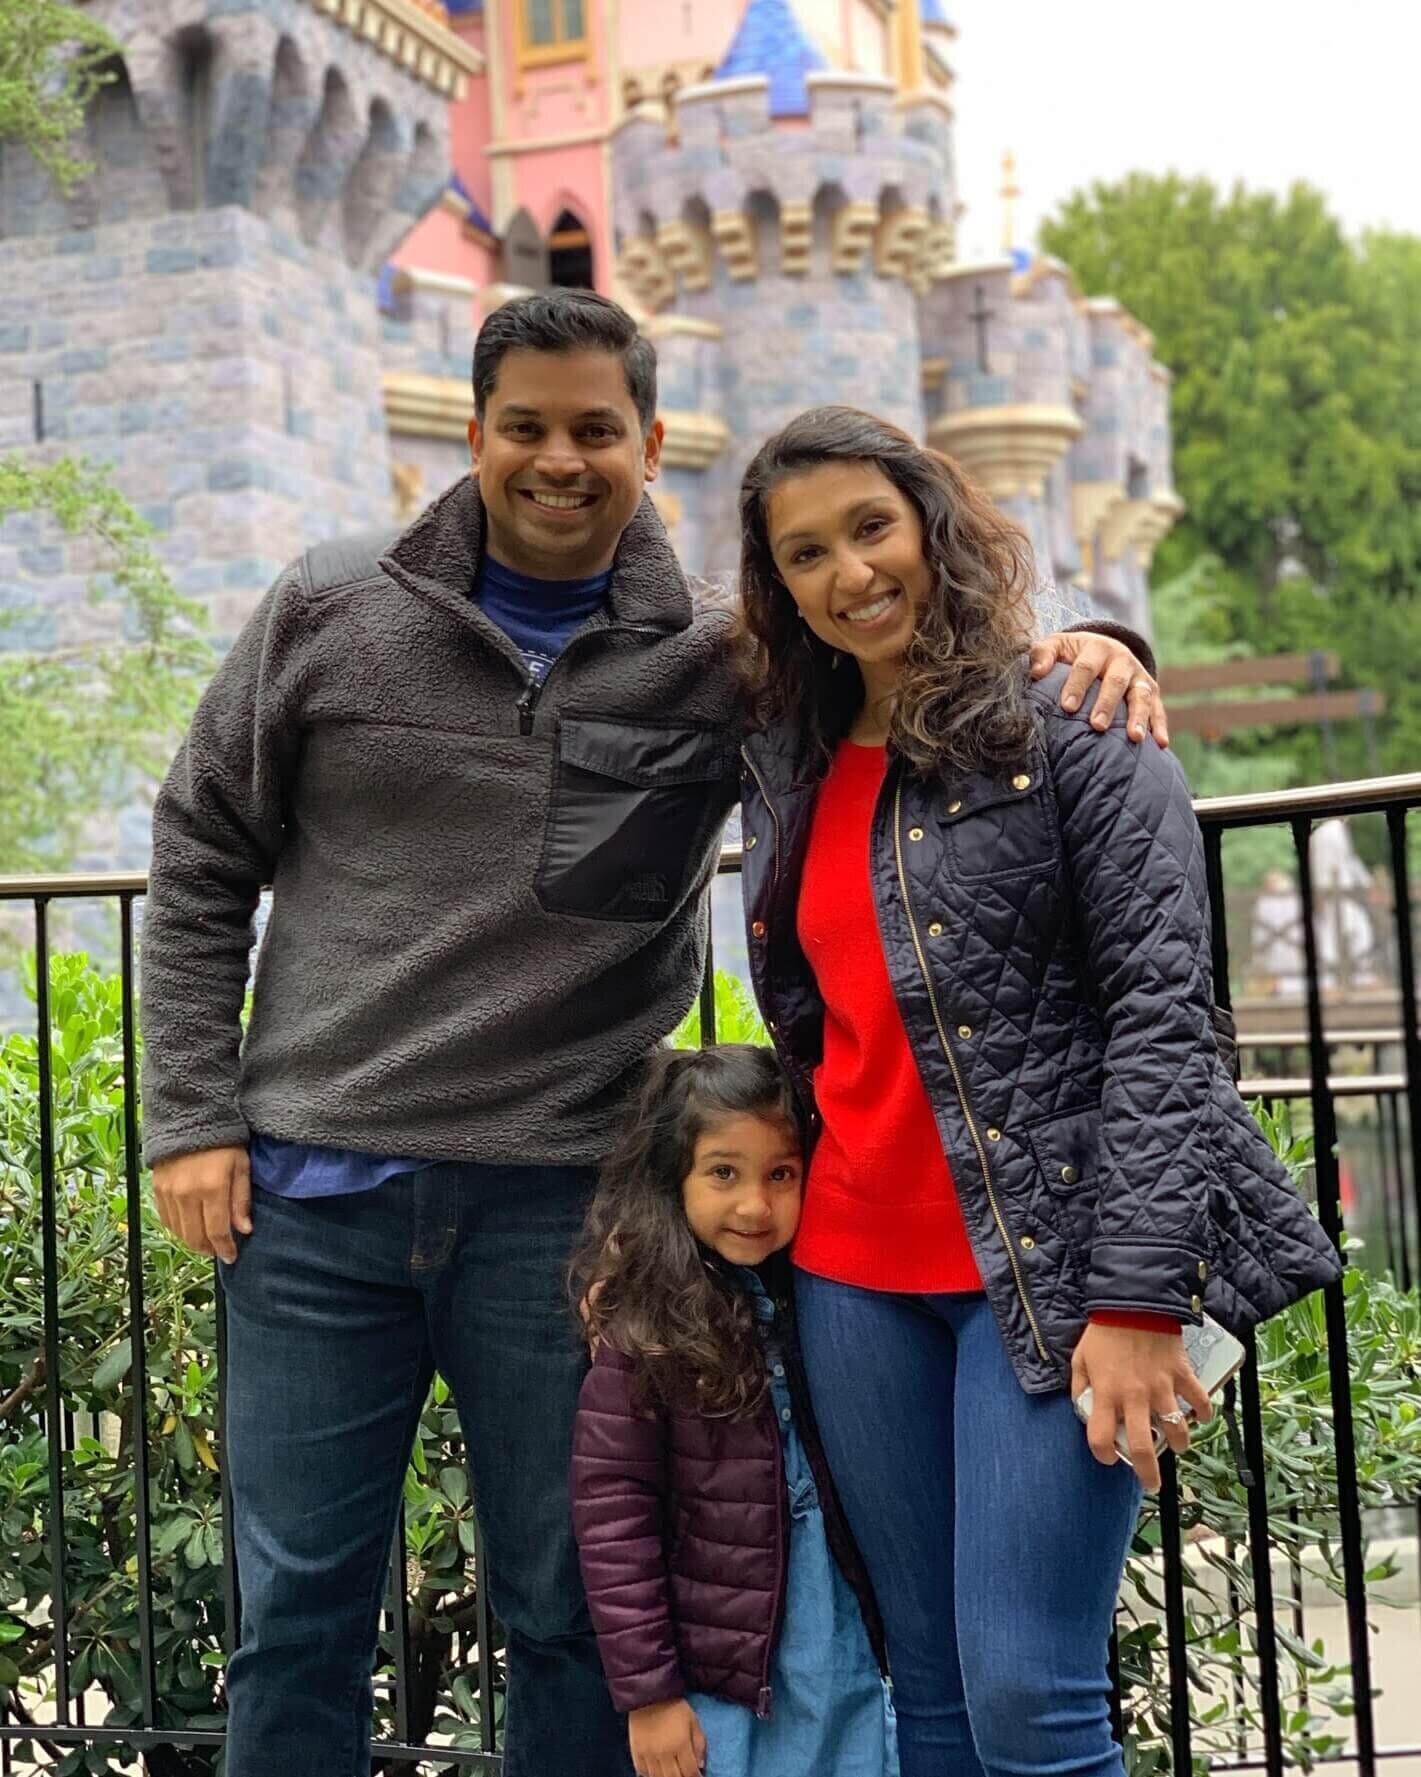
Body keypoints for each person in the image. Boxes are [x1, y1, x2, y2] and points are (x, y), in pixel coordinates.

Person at [138, 291, 1167, 1777]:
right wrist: (190, 1112)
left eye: (596, 431)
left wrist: (1097, 643)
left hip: (562, 1205)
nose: (562, 461)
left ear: (649, 444)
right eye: (529, 429)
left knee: (569, 1618)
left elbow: (901, 649)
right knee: (294, 1615)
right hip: (312, 1199)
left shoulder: (716, 656)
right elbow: (200, 850)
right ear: (472, 428)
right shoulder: (327, 605)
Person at [732, 406, 1343, 1777]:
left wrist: (1137, 1299)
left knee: (1030, 1697)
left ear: (933, 524)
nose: (849, 573)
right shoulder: (791, 759)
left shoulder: (1075, 721)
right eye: (806, 553)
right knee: (932, 1695)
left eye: (870, 528)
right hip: (853, 1279)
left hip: (1061, 1271)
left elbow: (1166, 1020)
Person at [570, 1043, 896, 1777]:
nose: (754, 1204)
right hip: (720, 1671)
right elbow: (613, 1517)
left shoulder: (821, 1295)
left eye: (781, 1173)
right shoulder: (646, 1328)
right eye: (724, 1172)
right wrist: (647, 1695)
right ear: (671, 1178)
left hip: (841, 1639)